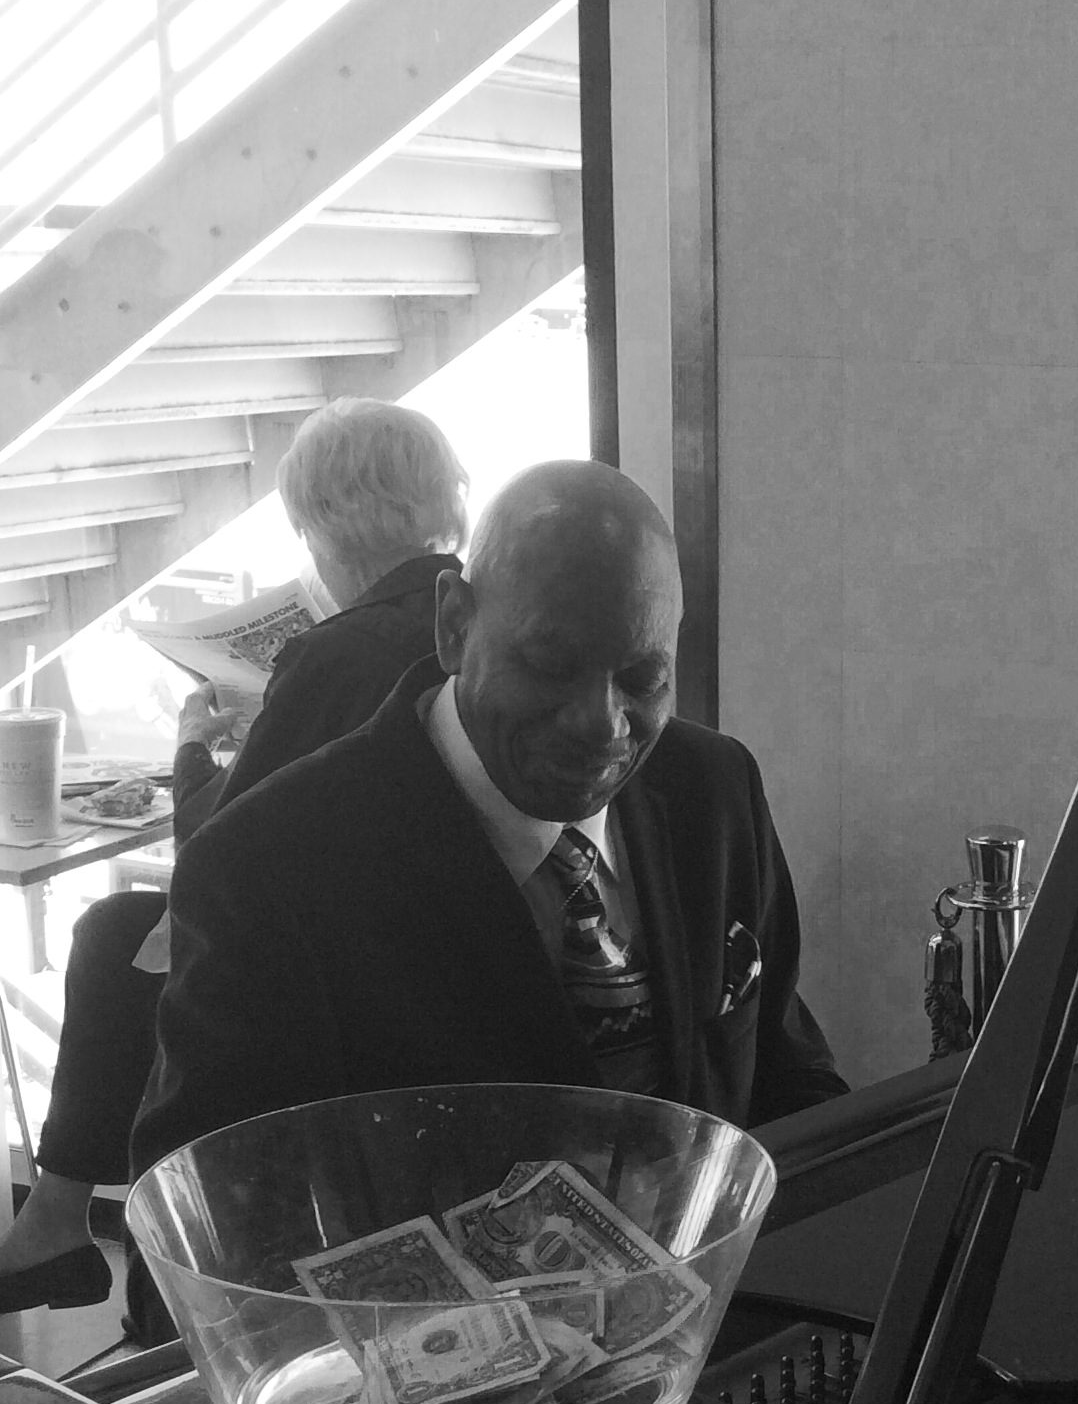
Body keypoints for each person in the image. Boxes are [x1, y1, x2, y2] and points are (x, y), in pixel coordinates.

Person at [131, 460, 847, 1174]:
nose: (602, 725)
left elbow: (789, 1080)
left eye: (643, 679)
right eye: (552, 666)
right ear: (454, 625)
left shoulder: (713, 791)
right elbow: (209, 1212)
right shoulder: (265, 871)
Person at [0, 399, 468, 1313]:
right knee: (118, 930)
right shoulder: (453, 619)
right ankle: (56, 1227)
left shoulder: (337, 652)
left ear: (322, 523)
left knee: (117, 938)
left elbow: (219, 857)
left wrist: (190, 749)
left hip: (323, 963)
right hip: (414, 933)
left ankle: (62, 1226)